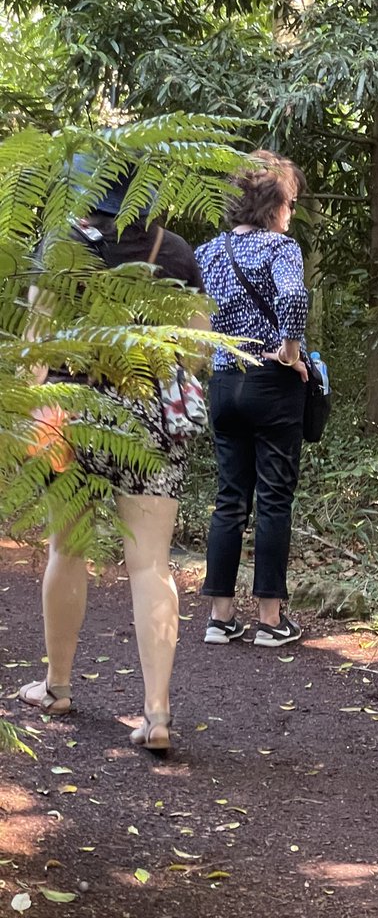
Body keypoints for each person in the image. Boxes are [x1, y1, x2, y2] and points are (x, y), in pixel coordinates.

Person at [19, 158, 208, 755]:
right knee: (150, 563)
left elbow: (35, 347)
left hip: (71, 415)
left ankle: (58, 686)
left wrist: (30, 414)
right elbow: (199, 349)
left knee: (66, 547)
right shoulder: (173, 251)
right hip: (148, 414)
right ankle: (156, 715)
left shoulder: (60, 249)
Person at [196, 150, 310, 649]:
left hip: (224, 382)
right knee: (274, 499)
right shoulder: (281, 249)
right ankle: (269, 619)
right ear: (275, 203)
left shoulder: (209, 252)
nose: (291, 212)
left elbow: (195, 316)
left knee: (229, 499)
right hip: (270, 382)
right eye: (290, 202)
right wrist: (289, 352)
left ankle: (220, 618)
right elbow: (292, 297)